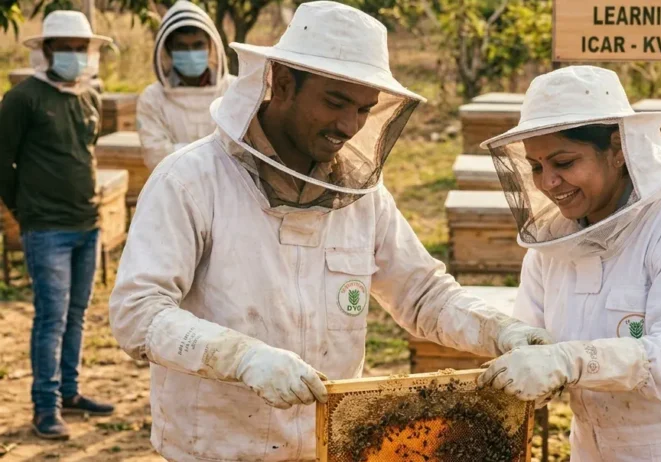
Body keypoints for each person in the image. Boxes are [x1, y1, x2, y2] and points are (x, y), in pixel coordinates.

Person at [108, 2, 551, 460]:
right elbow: (137, 313)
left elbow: (421, 293)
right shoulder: (190, 180)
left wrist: (500, 331)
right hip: (219, 448)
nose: (349, 125)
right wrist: (239, 357)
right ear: (280, 83)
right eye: (335, 102)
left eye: (363, 109)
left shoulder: (362, 197)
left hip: (332, 446)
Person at [477, 66, 661, 461]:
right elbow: (535, 340)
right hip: (595, 445)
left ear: (617, 149)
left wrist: (569, 361)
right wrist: (529, 368)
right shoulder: (551, 245)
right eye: (536, 167)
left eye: (564, 163)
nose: (548, 183)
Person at [0, 11, 116, 440]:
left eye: (78, 48)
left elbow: (87, 151)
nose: (71, 54)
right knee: (51, 317)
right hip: (45, 228)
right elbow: (3, 163)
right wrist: (25, 210)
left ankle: (70, 392)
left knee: (78, 314)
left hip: (88, 222)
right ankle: (44, 407)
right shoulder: (22, 98)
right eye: (62, 47)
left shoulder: (89, 97)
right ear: (46, 50)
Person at [137, 1, 234, 171]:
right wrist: (217, 155)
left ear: (210, 46)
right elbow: (156, 156)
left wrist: (177, 151)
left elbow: (242, 152)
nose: (190, 53)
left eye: (197, 45)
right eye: (182, 47)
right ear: (168, 49)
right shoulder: (152, 98)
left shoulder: (234, 90)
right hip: (174, 193)